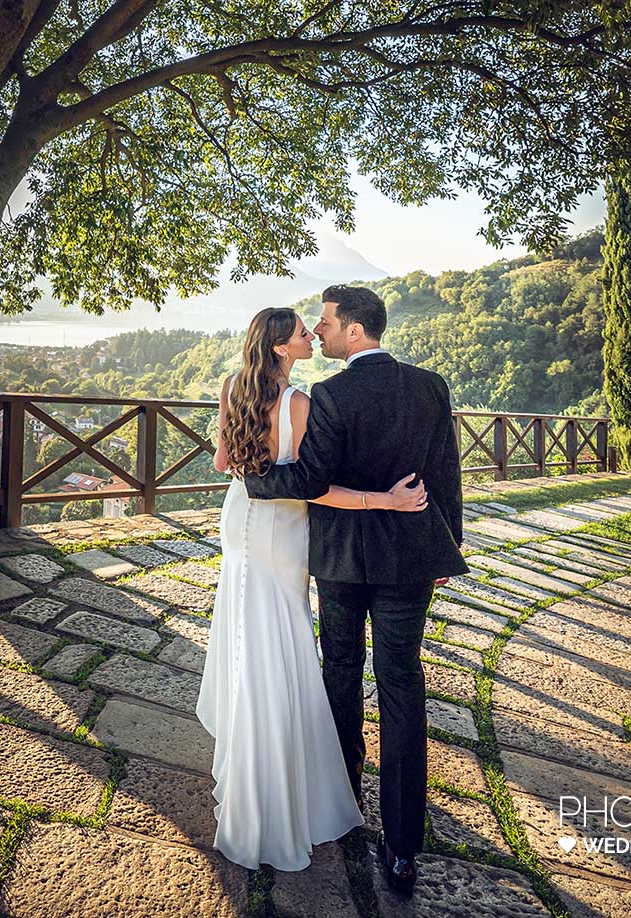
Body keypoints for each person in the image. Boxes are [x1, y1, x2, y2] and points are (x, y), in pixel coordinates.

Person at [239, 284, 468, 896]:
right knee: (402, 685)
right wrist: (451, 545)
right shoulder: (431, 387)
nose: (321, 331)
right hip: (410, 560)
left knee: (340, 670)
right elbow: (447, 472)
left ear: (355, 332)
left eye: (328, 323)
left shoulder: (329, 394)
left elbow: (310, 478)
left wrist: (250, 479)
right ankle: (401, 847)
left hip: (340, 561)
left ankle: (344, 800)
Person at [196, 306, 433, 872]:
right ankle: (303, 776)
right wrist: (386, 501)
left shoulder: (235, 387)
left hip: (243, 522)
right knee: (289, 639)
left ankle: (258, 758)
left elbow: (225, 462)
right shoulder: (303, 402)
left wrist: (255, 477)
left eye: (315, 326)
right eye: (303, 331)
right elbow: (315, 486)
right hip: (284, 533)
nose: (311, 335)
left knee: (252, 636)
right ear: (281, 347)